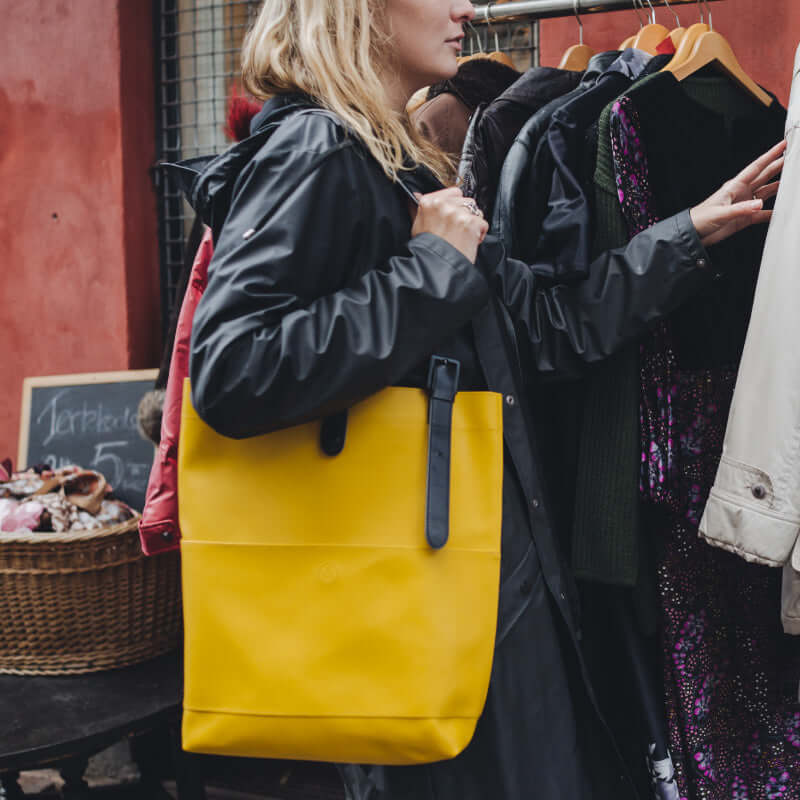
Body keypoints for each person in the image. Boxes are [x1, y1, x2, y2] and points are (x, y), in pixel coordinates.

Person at [184, 1, 785, 797]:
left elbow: (543, 327)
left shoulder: (392, 160)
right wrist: (429, 272)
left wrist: (686, 233)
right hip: (413, 592)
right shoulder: (316, 147)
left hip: (469, 577)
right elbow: (233, 369)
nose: (467, 5)